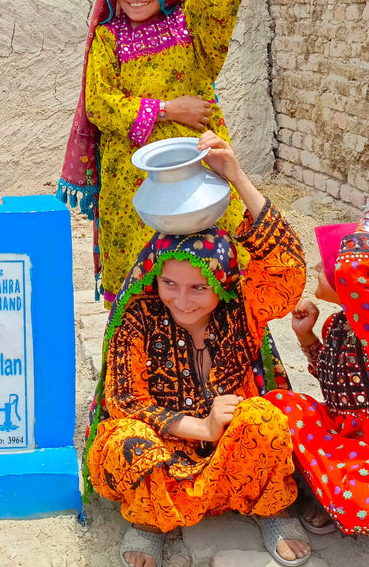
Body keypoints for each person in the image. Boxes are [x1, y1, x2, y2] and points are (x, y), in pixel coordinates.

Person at [86, 131, 310, 567]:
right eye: (169, 283)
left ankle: (270, 509)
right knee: (123, 442)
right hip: (171, 443)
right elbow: (127, 401)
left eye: (197, 288)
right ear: (153, 279)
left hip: (230, 449)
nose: (181, 300)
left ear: (223, 286)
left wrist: (237, 175)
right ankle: (150, 519)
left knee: (265, 419)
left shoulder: (243, 309)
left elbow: (286, 267)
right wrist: (201, 427)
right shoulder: (139, 318)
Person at [58, 0, 247, 300]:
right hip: (132, 185)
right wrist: (168, 109)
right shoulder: (108, 38)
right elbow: (101, 105)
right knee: (141, 283)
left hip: (199, 169)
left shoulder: (192, 26)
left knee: (208, 275)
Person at [265, 186, 369, 566]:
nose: (319, 269)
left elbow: (352, 270)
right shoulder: (343, 325)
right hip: (344, 434)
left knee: (365, 511)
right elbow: (336, 385)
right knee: (275, 406)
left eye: (325, 265)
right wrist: (305, 336)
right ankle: (330, 491)